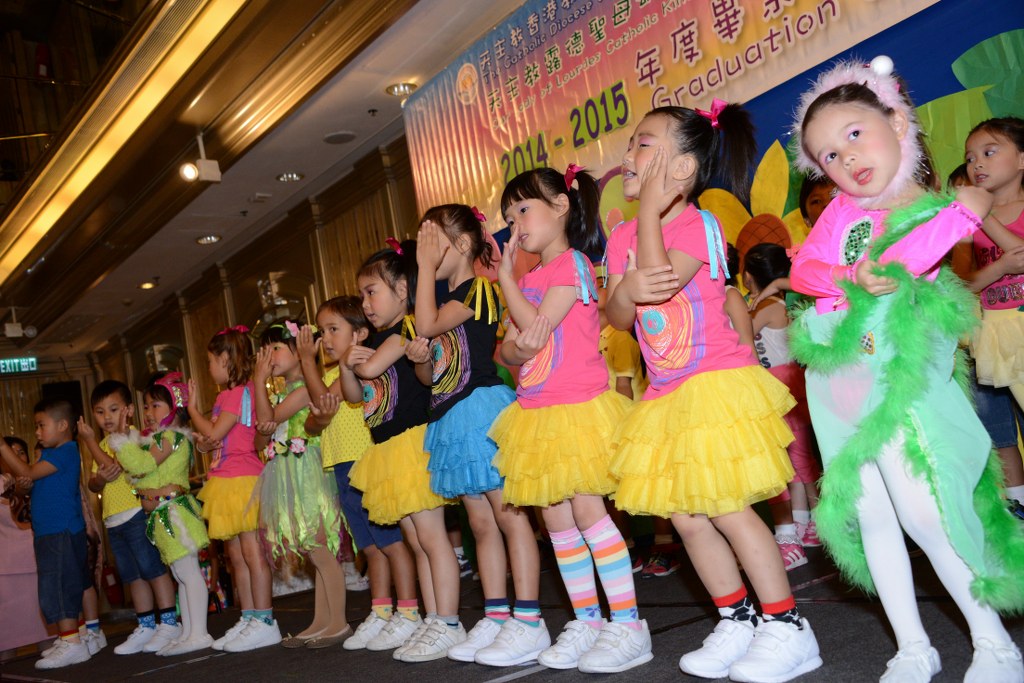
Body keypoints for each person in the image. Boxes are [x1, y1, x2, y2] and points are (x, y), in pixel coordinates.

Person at [789, 57, 1024, 682]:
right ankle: (913, 646)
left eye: (854, 135)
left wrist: (961, 215)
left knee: (926, 511)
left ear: (896, 123)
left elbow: (911, 258)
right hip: (837, 379)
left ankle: (994, 643)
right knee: (870, 514)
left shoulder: (930, 205)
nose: (846, 159)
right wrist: (848, 274)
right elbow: (804, 270)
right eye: (829, 155)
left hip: (897, 380)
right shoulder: (840, 211)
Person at [606, 100, 821, 683]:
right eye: (630, 143)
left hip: (714, 383)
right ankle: (737, 618)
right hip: (666, 393)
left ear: (681, 169)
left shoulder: (697, 225)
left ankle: (788, 625)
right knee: (686, 516)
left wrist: (647, 221)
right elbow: (619, 314)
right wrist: (625, 285)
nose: (628, 154)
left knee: (728, 507)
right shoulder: (620, 235)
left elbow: (656, 283)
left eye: (643, 143)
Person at [491, 165, 652, 674]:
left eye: (523, 210)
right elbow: (512, 349)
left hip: (578, 410)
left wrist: (504, 281)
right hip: (538, 415)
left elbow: (534, 326)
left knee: (589, 516)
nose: (515, 225)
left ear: (561, 206)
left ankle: (627, 624)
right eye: (508, 217)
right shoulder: (529, 278)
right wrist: (515, 347)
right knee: (557, 525)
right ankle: (587, 621)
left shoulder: (574, 264)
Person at [414, 204, 547, 665]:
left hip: (480, 408)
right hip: (452, 414)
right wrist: (420, 360)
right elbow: (432, 371)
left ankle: (529, 617)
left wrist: (423, 267)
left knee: (510, 516)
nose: (426, 251)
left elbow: (427, 325)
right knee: (480, 523)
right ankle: (495, 613)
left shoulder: (478, 289)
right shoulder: (442, 299)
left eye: (433, 241)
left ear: (464, 244)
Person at [345, 241, 461, 661]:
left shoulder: (407, 329)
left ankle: (449, 620)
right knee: (415, 540)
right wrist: (344, 363)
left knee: (431, 537)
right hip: (390, 449)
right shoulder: (377, 338)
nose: (365, 304)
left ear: (401, 290)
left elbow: (370, 369)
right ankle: (434, 618)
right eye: (361, 295)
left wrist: (354, 359)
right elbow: (353, 394)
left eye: (371, 292)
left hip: (414, 444)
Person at [296, 296, 419, 653]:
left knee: (391, 542)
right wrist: (318, 409)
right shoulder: (333, 375)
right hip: (341, 466)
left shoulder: (359, 367)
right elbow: (313, 422)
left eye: (333, 329)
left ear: (361, 333)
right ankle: (381, 611)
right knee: (370, 547)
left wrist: (306, 362)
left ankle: (408, 611)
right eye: (322, 331)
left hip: (365, 462)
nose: (325, 339)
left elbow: (324, 403)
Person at [252, 321, 348, 648]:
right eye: (264, 351)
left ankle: (338, 622)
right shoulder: (278, 393)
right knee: (310, 548)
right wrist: (263, 397)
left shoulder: (307, 387)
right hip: (285, 473)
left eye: (276, 348)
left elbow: (270, 418)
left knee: (319, 545)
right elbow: (260, 436)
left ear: (299, 351)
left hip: (307, 472)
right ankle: (321, 621)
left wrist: (257, 381)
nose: (269, 357)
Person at [188, 327, 279, 652]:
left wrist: (192, 410)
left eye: (211, 361)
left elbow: (215, 432)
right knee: (236, 557)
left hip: (242, 479)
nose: (209, 367)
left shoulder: (238, 392)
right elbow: (214, 439)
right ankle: (249, 615)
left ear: (226, 359)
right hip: (226, 478)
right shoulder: (227, 395)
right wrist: (205, 441)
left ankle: (265, 620)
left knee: (252, 554)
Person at [109, 373, 212, 656]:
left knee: (189, 573)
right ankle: (189, 632)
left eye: (155, 405)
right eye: (146, 406)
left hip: (174, 514)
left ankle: (199, 633)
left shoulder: (171, 437)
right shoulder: (160, 438)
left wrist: (121, 439)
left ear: (175, 407)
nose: (148, 412)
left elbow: (141, 465)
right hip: (164, 516)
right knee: (180, 575)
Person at [78, 381, 179, 655]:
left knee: (152, 568)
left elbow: (115, 465)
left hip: (136, 513)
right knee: (132, 575)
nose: (107, 417)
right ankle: (146, 625)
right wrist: (99, 479)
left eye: (113, 409)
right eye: (100, 412)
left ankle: (170, 622)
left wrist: (89, 442)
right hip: (114, 520)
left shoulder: (135, 437)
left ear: (129, 410)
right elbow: (95, 482)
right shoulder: (101, 444)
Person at [743, 243, 822, 570]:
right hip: (780, 384)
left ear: (749, 276)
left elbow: (742, 333)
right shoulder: (772, 302)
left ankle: (815, 520)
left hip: (784, 384)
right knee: (793, 458)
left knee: (798, 456)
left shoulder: (771, 305)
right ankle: (804, 521)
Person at [0, 400, 91, 669]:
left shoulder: (65, 451)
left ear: (62, 425)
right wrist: (24, 486)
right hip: (50, 532)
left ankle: (73, 643)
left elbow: (27, 471)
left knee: (60, 586)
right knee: (55, 585)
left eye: (41, 425)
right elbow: (30, 483)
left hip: (60, 531)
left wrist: (2, 446)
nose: (37, 432)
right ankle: (70, 637)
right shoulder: (51, 455)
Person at [963, 117, 1024, 511]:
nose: (977, 164)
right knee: (998, 430)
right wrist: (999, 267)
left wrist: (983, 214)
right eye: (970, 158)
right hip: (992, 332)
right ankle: (1017, 505)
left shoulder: (986, 214)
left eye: (988, 152)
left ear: (1021, 159)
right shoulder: (966, 224)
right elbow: (964, 283)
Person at [0, 437, 50, 662]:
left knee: (48, 635)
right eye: (10, 452)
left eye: (21, 452)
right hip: (6, 569)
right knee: (7, 640)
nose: (16, 457)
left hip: (39, 561)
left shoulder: (39, 480)